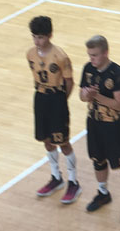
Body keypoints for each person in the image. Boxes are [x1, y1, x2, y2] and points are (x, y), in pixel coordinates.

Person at [79, 35, 120, 221]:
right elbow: (81, 96)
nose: (91, 59)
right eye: (89, 55)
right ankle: (103, 192)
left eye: (95, 55)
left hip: (113, 125)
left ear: (105, 53)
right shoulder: (88, 69)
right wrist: (86, 95)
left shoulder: (117, 73)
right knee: (98, 159)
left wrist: (95, 96)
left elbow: (119, 105)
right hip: (94, 121)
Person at [26, 16, 80, 204]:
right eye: (34, 37)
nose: (37, 41)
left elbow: (69, 81)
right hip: (40, 98)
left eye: (40, 37)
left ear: (50, 35)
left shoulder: (60, 57)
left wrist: (61, 101)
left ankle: (73, 181)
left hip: (56, 98)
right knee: (46, 140)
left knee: (63, 141)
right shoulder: (30, 54)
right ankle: (56, 177)